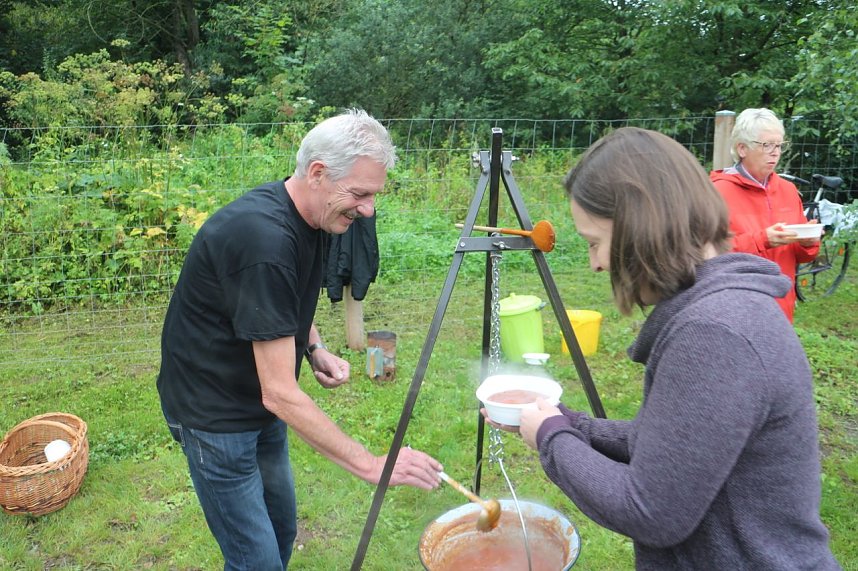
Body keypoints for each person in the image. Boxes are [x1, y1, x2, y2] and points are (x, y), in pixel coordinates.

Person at [488, 127, 841, 570]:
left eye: (594, 242)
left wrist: (550, 437)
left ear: (641, 226)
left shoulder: (716, 332)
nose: (595, 264)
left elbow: (649, 510)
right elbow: (669, 446)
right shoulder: (725, 311)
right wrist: (567, 422)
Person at [157, 109, 442, 570]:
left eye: (374, 194)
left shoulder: (317, 217)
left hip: (259, 407)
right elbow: (281, 395)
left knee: (282, 529)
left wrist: (313, 347)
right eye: (361, 193)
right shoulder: (263, 240)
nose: (368, 209)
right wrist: (373, 464)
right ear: (318, 173)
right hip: (213, 415)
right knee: (257, 561)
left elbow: (285, 301)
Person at [710, 108, 820, 322]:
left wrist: (808, 243)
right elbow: (708, 253)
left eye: (779, 145)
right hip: (735, 310)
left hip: (781, 309)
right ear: (742, 148)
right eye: (766, 145)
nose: (775, 152)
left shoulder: (788, 190)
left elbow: (802, 256)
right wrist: (763, 240)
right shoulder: (716, 192)